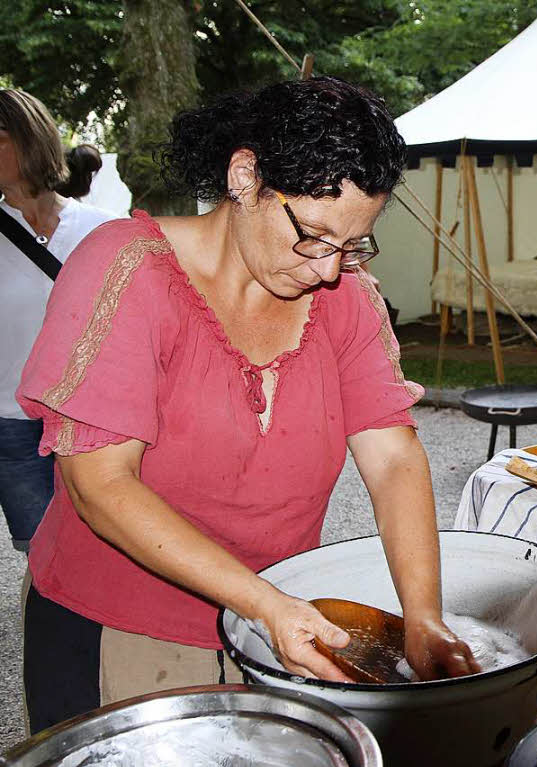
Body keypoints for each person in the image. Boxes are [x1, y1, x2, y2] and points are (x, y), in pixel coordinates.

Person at [16, 77, 479, 734]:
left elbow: (393, 454)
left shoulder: (342, 295)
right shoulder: (125, 270)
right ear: (244, 176)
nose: (327, 269)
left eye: (352, 244)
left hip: (270, 630)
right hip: (119, 629)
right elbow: (98, 485)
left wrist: (424, 613)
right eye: (314, 236)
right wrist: (266, 604)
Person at [0, 89, 115, 553]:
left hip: (96, 418)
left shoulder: (104, 228)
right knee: (45, 551)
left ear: (31, 140)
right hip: (12, 421)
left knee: (105, 545)